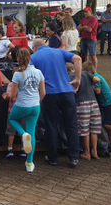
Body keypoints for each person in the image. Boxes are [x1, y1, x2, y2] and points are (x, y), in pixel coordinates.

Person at [30, 39, 82, 168]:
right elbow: (78, 58)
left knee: (51, 125)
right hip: (67, 91)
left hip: (49, 94)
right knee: (71, 125)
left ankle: (53, 157)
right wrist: (77, 78)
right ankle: (73, 157)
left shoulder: (33, 57)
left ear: (34, 48)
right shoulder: (60, 52)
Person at [3, 48, 44, 172]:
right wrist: (37, 101)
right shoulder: (38, 72)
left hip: (21, 104)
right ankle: (29, 163)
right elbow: (43, 92)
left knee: (12, 118)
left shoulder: (17, 74)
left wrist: (7, 95)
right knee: (31, 131)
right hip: (35, 105)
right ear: (30, 57)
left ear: (18, 59)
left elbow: (13, 94)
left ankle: (22, 133)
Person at [74, 62, 103, 160]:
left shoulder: (71, 76)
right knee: (94, 129)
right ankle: (94, 151)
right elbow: (97, 79)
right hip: (94, 103)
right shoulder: (86, 74)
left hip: (82, 104)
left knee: (85, 130)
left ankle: (87, 153)